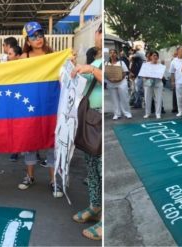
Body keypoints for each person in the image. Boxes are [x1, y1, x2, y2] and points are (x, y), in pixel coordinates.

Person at [17, 21, 63, 197]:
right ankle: (29, 176)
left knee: (52, 141)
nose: (38, 38)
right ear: (27, 40)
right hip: (30, 106)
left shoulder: (53, 56)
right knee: (30, 141)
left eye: (40, 34)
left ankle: (53, 180)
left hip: (51, 105)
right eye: (33, 36)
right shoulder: (24, 58)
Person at [71, 23, 102, 241]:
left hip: (99, 119)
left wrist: (91, 70)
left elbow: (111, 79)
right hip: (90, 119)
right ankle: (95, 206)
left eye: (99, 32)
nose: (98, 36)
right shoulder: (97, 58)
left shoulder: (105, 60)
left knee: (102, 169)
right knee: (91, 168)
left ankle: (105, 221)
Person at [105, 49, 132, 120]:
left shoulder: (121, 62)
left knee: (124, 98)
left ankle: (127, 113)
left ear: (116, 54)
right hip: (111, 83)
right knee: (114, 99)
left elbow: (125, 72)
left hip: (121, 83)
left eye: (114, 53)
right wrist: (110, 79)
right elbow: (105, 74)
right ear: (109, 54)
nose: (112, 54)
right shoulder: (106, 63)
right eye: (111, 53)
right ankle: (117, 114)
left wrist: (119, 79)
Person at [140, 51, 165, 119]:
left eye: (156, 55)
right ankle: (147, 113)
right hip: (148, 83)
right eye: (154, 55)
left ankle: (158, 113)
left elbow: (162, 76)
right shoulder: (146, 64)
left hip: (158, 83)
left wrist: (159, 76)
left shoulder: (161, 66)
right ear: (150, 57)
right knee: (147, 98)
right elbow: (143, 75)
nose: (155, 57)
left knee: (158, 98)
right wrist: (147, 76)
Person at [170, 46, 182, 117]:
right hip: (178, 82)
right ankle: (180, 110)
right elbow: (172, 72)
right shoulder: (173, 61)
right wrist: (173, 82)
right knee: (179, 97)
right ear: (178, 51)